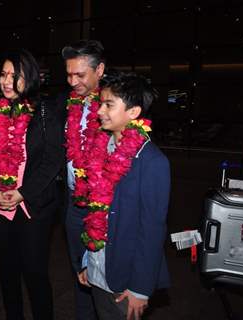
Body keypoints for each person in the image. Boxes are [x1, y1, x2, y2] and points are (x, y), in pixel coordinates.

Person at [0, 49, 64, 320]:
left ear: (31, 78)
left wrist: (22, 193)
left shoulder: (45, 111)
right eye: (3, 74)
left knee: (35, 272)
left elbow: (52, 159)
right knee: (7, 270)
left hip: (34, 206)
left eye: (15, 75)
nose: (6, 81)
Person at [77, 71, 170, 320]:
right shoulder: (100, 150)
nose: (99, 111)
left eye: (109, 105)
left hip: (126, 279)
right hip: (98, 270)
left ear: (133, 112)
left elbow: (152, 230)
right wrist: (88, 260)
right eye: (101, 104)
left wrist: (140, 288)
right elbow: (96, 213)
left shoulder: (152, 162)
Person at [60, 39, 105, 320]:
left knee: (105, 278)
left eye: (80, 75)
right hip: (74, 201)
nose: (72, 81)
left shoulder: (114, 105)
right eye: (68, 74)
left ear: (99, 70)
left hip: (102, 206)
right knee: (80, 274)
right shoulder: (70, 104)